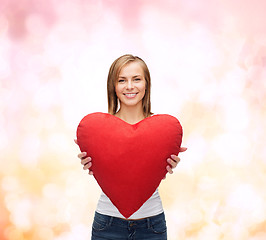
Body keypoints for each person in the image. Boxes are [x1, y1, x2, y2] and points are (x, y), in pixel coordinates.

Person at [75, 54, 187, 240]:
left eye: (136, 79)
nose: (129, 86)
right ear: (114, 86)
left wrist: (167, 161)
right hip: (107, 225)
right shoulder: (99, 130)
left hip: (152, 226)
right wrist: (93, 162)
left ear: (146, 84)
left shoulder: (162, 130)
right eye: (121, 80)